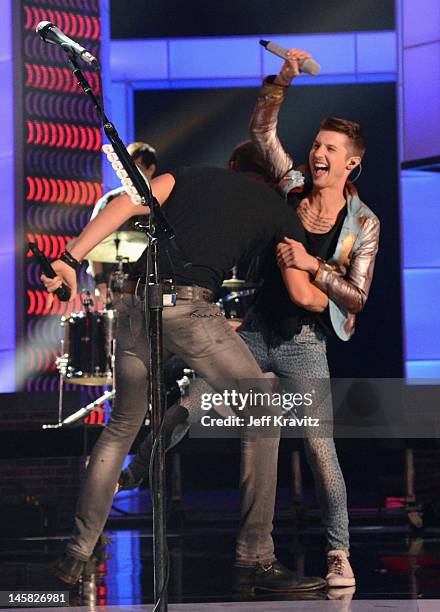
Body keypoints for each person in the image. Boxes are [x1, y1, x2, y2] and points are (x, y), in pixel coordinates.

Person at [42, 162, 327, 593]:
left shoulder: (193, 175)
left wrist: (69, 258)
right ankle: (256, 559)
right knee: (265, 412)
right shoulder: (280, 211)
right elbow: (302, 293)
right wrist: (335, 283)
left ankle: (75, 555)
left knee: (120, 428)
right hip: (190, 307)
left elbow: (124, 204)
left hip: (136, 303)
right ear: (275, 184)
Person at [241, 48, 380, 588]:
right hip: (254, 327)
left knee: (322, 453)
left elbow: (357, 297)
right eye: (318, 144)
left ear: (351, 164)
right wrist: (283, 80)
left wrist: (312, 264)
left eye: (331, 149)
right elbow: (261, 133)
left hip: (304, 343)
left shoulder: (363, 223)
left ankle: (339, 555)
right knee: (198, 394)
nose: (318, 153)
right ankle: (137, 460)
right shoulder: (293, 183)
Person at [88, 141, 157, 302]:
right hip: (116, 289)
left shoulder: (160, 202)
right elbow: (93, 243)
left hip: (149, 287)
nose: (130, 172)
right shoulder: (109, 201)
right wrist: (100, 283)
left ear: (151, 169)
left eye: (136, 166)